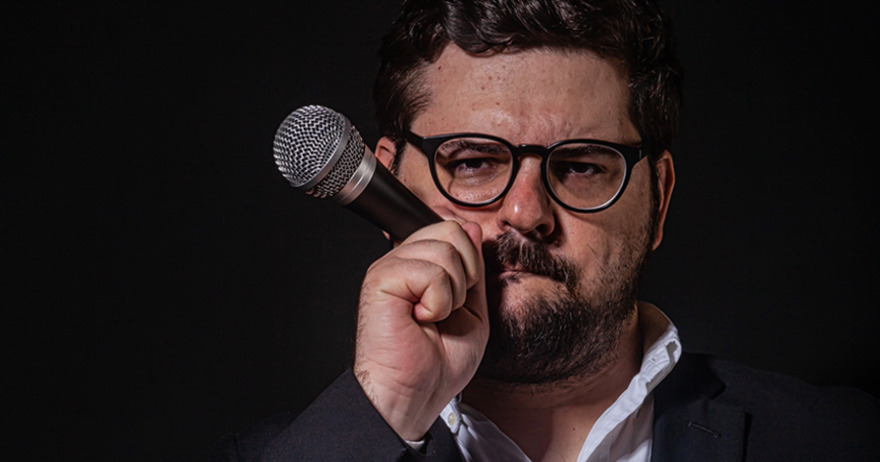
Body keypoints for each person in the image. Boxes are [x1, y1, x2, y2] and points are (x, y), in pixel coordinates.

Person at [213, 0, 878, 460]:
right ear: (384, 189)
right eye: (472, 162)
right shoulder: (274, 455)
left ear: (659, 200)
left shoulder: (840, 442)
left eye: (582, 166)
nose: (526, 212)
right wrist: (384, 407)